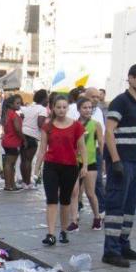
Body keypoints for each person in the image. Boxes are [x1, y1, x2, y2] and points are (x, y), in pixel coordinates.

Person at [102, 63, 136, 268]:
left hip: (133, 162)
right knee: (116, 206)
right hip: (120, 162)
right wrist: (115, 161)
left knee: (130, 207)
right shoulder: (120, 102)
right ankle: (111, 251)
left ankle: (123, 245)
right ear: (130, 78)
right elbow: (109, 132)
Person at [34, 95, 87, 245]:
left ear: (68, 108)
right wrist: (36, 168)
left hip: (70, 166)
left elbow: (82, 148)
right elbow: (42, 148)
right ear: (53, 108)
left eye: (64, 107)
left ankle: (64, 231)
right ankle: (50, 234)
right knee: (51, 200)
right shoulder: (48, 126)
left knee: (65, 201)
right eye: (58, 107)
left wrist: (85, 166)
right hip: (51, 166)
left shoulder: (76, 126)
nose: (61, 110)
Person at [68, 96, 103, 231]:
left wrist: (103, 160)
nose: (88, 110)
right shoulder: (73, 124)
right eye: (85, 107)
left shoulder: (95, 124)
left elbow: (101, 143)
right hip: (74, 162)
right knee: (74, 192)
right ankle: (74, 221)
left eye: (90, 107)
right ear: (78, 109)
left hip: (91, 162)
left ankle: (97, 217)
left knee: (90, 193)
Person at [20, 89, 49, 188]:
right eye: (47, 98)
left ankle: (24, 182)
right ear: (44, 99)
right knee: (28, 160)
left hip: (22, 134)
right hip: (32, 136)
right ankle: (28, 183)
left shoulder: (29, 107)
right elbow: (40, 123)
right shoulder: (42, 109)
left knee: (23, 160)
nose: (48, 101)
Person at [85, 87, 107, 214]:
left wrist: (104, 156)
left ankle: (102, 209)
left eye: (98, 97)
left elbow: (102, 134)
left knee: (97, 180)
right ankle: (75, 206)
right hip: (79, 153)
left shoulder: (98, 111)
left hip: (96, 152)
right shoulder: (74, 109)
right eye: (93, 97)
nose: (96, 99)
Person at [1, 94, 25, 191]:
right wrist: (24, 139)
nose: (19, 105)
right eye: (17, 103)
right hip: (13, 142)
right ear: (11, 104)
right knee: (10, 164)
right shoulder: (14, 115)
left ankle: (10, 184)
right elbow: (18, 129)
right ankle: (9, 185)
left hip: (7, 140)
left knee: (8, 163)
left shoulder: (6, 113)